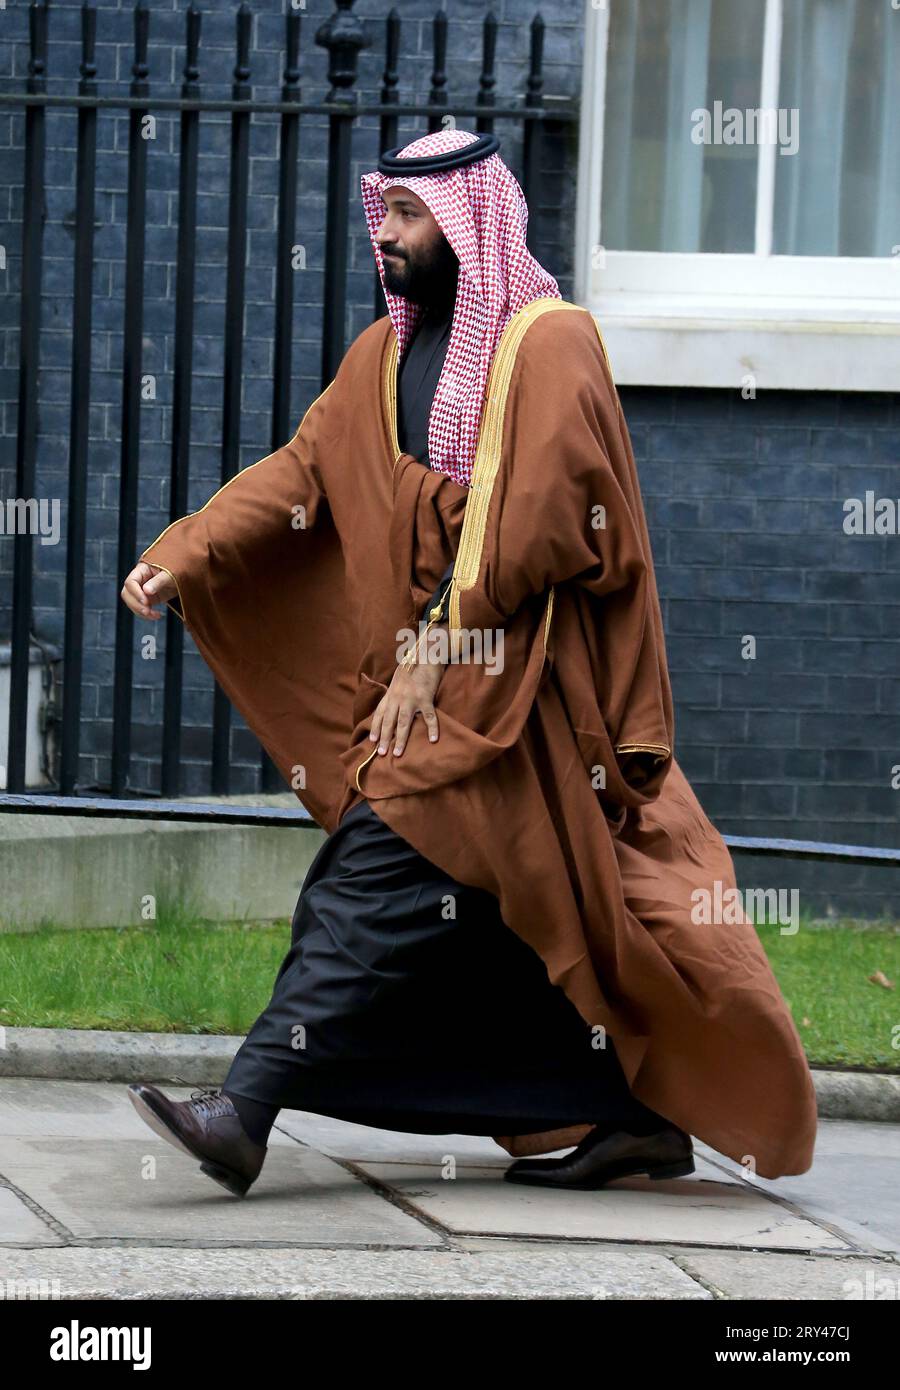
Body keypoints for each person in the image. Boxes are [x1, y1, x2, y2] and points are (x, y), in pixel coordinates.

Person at [120, 129, 817, 1200]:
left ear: (465, 225)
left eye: (407, 219)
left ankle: (242, 1112)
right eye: (384, 216)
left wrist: (437, 646)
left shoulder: (550, 342)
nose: (386, 238)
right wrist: (184, 551)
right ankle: (620, 1112)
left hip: (513, 689)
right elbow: (302, 471)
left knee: (367, 876)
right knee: (499, 922)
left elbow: (539, 519)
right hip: (437, 683)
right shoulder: (384, 358)